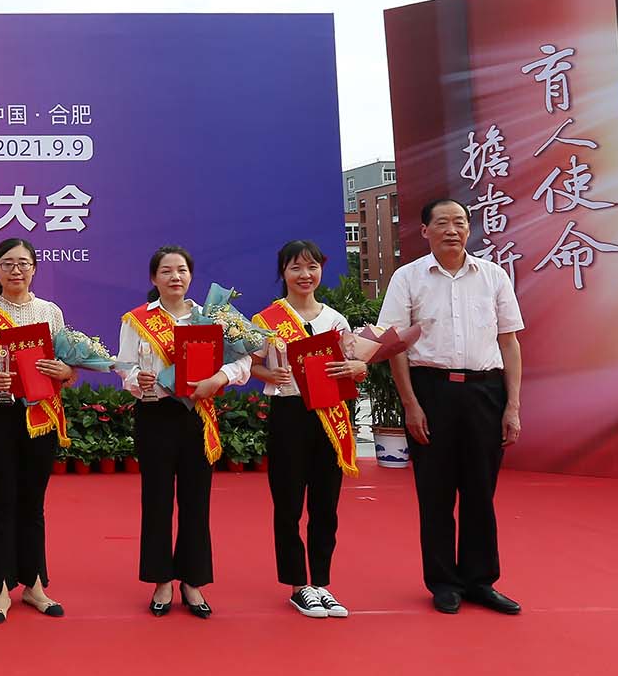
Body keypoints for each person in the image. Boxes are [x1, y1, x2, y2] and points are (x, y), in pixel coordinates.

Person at [378, 198, 525, 615]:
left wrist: (512, 405)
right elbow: (394, 346)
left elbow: (509, 342)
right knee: (436, 492)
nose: (452, 230)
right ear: (425, 231)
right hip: (432, 391)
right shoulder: (408, 278)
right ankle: (443, 582)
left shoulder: (493, 276)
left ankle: (480, 581)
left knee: (481, 491)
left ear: (468, 228)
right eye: (441, 222)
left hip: (485, 391)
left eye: (459, 222)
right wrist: (410, 404)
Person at [117, 245, 250, 618]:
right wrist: (138, 380)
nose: (175, 277)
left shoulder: (212, 318)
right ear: (153, 278)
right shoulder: (137, 320)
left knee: (196, 501)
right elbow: (124, 366)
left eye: (181, 270)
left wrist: (219, 378)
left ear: (190, 276)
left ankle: (193, 581)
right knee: (156, 500)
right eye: (166, 271)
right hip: (155, 415)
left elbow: (244, 359)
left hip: (198, 416)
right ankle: (161, 579)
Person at [0, 237, 77, 624]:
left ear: (34, 268)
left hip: (40, 417)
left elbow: (65, 368)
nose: (16, 270)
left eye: (23, 263)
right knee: (1, 503)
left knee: (33, 504)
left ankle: (34, 584)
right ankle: (0, 589)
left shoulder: (50, 312)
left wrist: (67, 371)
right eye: (8, 263)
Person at [248, 240, 366, 619]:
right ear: (283, 272)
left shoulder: (336, 320)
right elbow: (249, 365)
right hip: (289, 413)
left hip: (330, 416)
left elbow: (352, 366)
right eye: (296, 267)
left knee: (325, 504)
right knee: (288, 502)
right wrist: (270, 374)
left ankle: (322, 583)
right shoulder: (266, 320)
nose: (305, 275)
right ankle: (299, 585)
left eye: (312, 267)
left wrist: (359, 368)